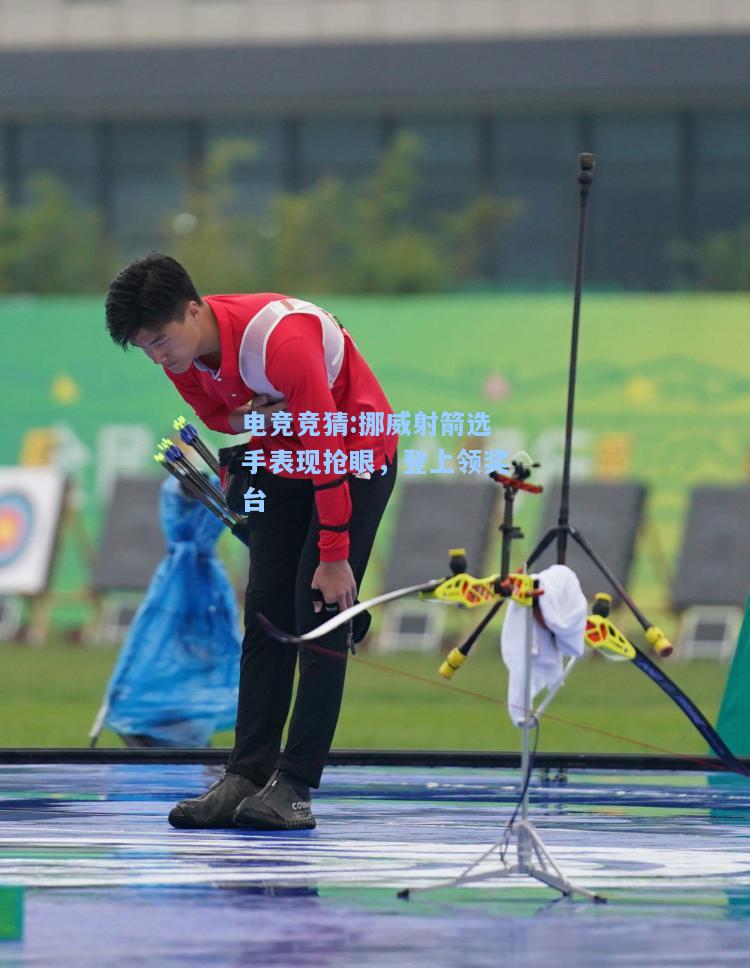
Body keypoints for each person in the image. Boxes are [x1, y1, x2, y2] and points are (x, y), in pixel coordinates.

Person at [105, 252, 398, 831]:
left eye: (162, 340)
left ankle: (294, 786)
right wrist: (248, 419)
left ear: (194, 308)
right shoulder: (180, 353)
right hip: (279, 462)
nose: (159, 356)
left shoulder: (280, 342)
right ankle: (245, 774)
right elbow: (214, 415)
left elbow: (326, 445)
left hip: (350, 457)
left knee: (317, 619)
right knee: (265, 619)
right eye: (147, 349)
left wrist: (336, 556)